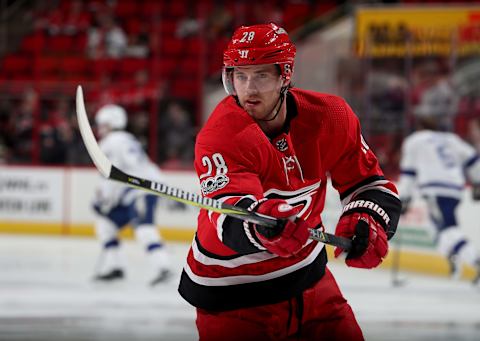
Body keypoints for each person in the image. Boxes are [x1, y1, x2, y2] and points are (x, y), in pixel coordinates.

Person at [177, 23, 401, 340]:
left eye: (261, 75)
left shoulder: (331, 116)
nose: (248, 89)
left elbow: (369, 183)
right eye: (240, 76)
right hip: (234, 296)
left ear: (285, 75)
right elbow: (229, 215)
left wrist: (367, 218)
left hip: (310, 281)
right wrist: (262, 225)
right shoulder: (220, 135)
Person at [397, 105, 480, 284]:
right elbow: (473, 158)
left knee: (449, 229)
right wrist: (477, 181)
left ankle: (474, 260)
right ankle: (455, 260)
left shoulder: (415, 140)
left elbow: (409, 172)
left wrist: (404, 197)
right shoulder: (451, 139)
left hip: (435, 189)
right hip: (455, 188)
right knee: (434, 229)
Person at [92, 104, 171, 286]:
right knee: (106, 226)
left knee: (144, 229)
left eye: (103, 123)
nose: (100, 128)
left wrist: (104, 199)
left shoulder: (112, 142)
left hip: (137, 192)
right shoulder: (126, 139)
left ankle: (163, 267)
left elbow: (113, 174)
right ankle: (115, 267)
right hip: (131, 193)